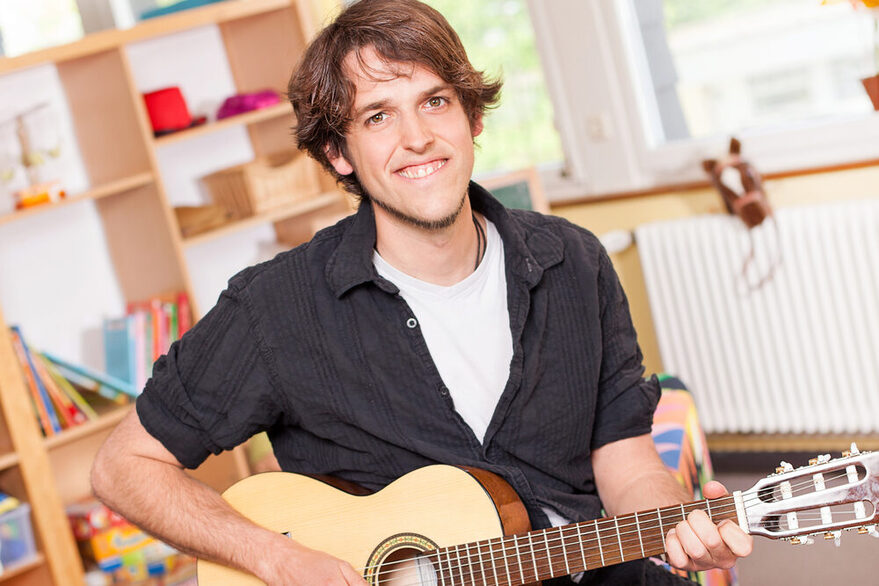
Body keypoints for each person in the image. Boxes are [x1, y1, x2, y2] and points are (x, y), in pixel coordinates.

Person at [91, 1, 753, 584]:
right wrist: (277, 559)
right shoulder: (276, 309)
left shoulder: (571, 261)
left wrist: (672, 524)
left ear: (471, 118)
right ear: (338, 154)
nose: (417, 139)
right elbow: (124, 467)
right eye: (378, 116)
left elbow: (625, 457)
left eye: (434, 102)